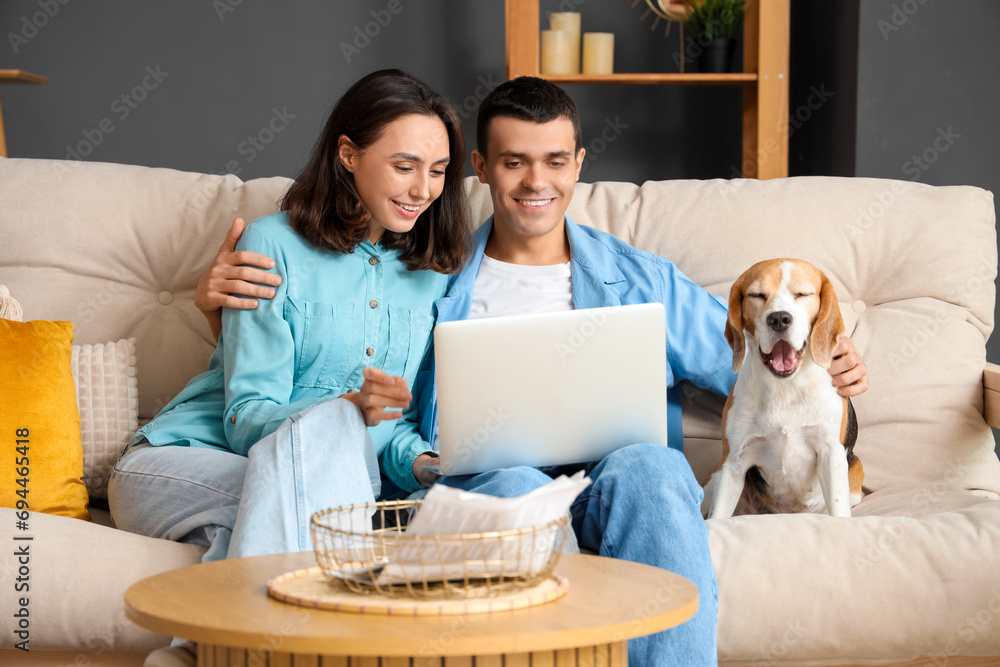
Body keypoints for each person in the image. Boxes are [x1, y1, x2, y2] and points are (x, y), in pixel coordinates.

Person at [203, 77, 868, 666]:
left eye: (555, 160)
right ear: (482, 167)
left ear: (579, 162)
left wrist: (824, 366)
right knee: (519, 487)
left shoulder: (640, 278)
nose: (536, 181)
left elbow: (750, 364)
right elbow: (355, 362)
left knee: (658, 468)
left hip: (618, 470)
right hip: (492, 473)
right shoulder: (430, 272)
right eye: (514, 161)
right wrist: (215, 311)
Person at [109, 68, 470, 574]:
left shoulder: (431, 275)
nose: (423, 189)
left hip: (327, 479)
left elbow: (397, 426)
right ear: (349, 154)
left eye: (439, 170)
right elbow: (245, 419)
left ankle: (199, 652)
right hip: (181, 460)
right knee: (324, 506)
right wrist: (343, 410)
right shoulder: (270, 245)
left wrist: (425, 464)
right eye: (405, 166)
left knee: (269, 530)